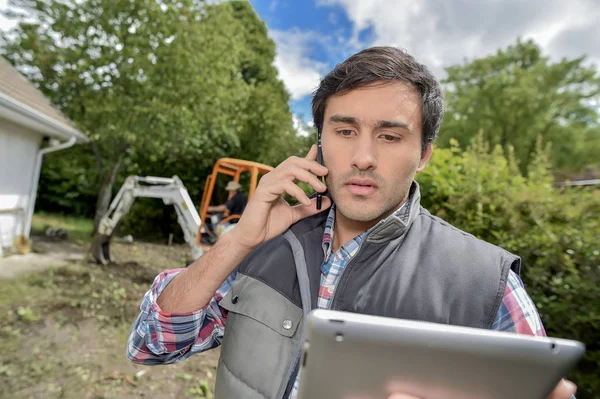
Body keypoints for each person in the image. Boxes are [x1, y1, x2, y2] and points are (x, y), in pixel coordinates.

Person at [126, 46, 577, 399]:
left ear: (423, 155)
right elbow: (151, 345)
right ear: (318, 143)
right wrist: (239, 240)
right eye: (344, 131)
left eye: (389, 135)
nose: (363, 157)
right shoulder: (258, 247)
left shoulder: (487, 283)